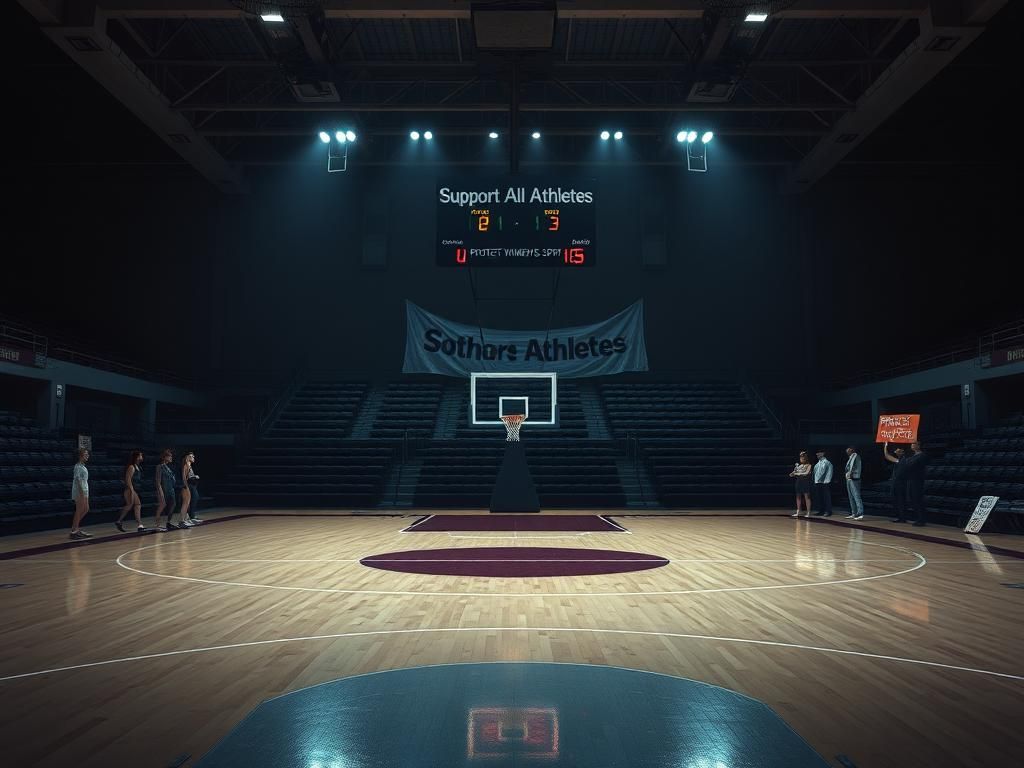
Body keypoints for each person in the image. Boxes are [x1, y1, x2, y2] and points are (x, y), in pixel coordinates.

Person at [115, 450, 145, 533]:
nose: (142, 457)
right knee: (136, 504)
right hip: (130, 490)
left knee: (132, 505)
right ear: (137, 457)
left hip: (134, 489)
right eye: (140, 455)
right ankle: (139, 524)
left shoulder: (137, 467)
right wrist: (131, 491)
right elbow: (128, 480)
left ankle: (119, 521)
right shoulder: (132, 467)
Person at [883, 442, 909, 522]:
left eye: (898, 450)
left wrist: (885, 446)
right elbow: (887, 455)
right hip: (896, 483)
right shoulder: (899, 460)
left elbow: (887, 456)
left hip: (901, 484)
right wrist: (885, 446)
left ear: (902, 451)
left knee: (900, 500)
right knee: (897, 500)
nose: (896, 451)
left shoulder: (903, 460)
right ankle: (900, 517)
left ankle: (902, 518)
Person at [904, 440, 929, 526]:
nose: (912, 445)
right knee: (912, 499)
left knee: (917, 499)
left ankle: (921, 519)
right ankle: (918, 518)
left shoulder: (922, 455)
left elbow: (911, 465)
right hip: (911, 479)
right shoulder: (913, 456)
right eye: (912, 443)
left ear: (919, 445)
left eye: (914, 443)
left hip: (917, 480)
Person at [70, 448, 92, 540]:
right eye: (85, 454)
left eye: (87, 454)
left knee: (86, 508)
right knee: (79, 510)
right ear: (80, 456)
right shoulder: (78, 467)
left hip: (84, 490)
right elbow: (78, 481)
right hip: (80, 491)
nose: (87, 456)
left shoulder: (83, 466)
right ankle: (74, 531)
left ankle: (75, 528)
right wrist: (82, 493)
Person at [153, 449, 176, 532]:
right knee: (162, 505)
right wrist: (161, 492)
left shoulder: (168, 468)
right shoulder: (160, 467)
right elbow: (158, 481)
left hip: (171, 489)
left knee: (173, 505)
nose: (171, 457)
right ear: (165, 457)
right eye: (170, 456)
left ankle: (168, 522)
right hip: (164, 489)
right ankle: (157, 525)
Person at [789, 451, 813, 518]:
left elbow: (806, 473)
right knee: (798, 497)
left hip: (805, 482)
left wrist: (798, 473)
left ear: (806, 458)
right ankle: (798, 511)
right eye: (800, 458)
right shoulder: (799, 466)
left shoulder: (809, 465)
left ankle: (808, 512)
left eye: (803, 458)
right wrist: (793, 472)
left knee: (807, 497)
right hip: (799, 482)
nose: (801, 459)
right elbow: (791, 474)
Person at [844, 446, 864, 520]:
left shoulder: (856, 456)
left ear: (852, 449)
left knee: (856, 496)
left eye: (848, 449)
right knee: (851, 497)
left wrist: (853, 475)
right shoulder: (850, 458)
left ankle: (860, 513)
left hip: (854, 479)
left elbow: (858, 467)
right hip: (849, 479)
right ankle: (854, 513)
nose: (847, 450)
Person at [812, 449, 833, 517]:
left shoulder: (827, 463)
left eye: (818, 453)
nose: (817, 454)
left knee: (826, 497)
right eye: (817, 453)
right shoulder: (817, 464)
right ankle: (821, 510)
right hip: (818, 482)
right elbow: (815, 473)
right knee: (820, 497)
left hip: (825, 482)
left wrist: (826, 481)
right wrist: (815, 481)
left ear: (823, 453)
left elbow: (829, 472)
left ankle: (828, 511)